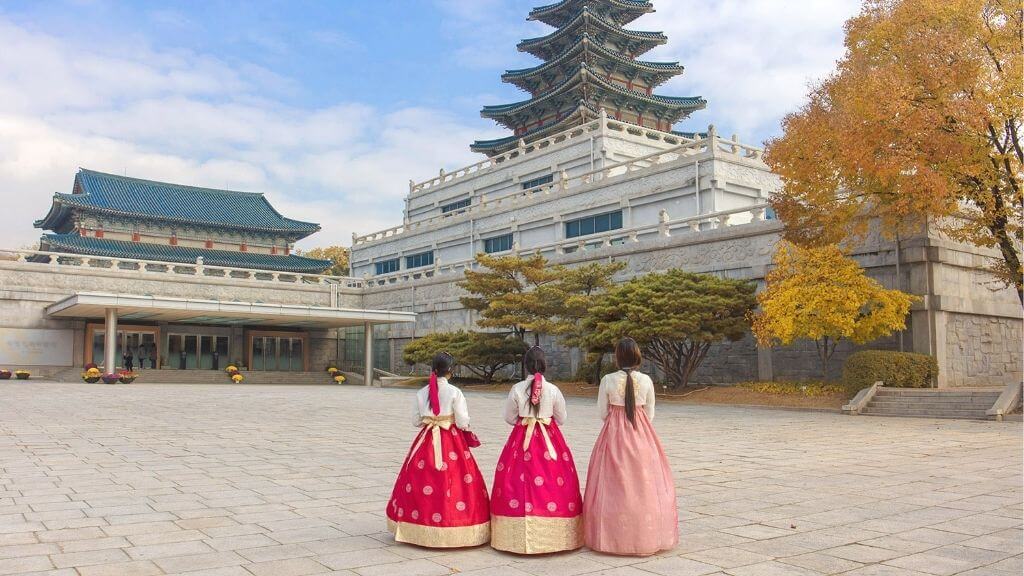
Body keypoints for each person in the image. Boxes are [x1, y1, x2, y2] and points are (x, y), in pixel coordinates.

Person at [583, 337, 677, 556]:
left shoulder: (607, 379)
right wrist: (639, 427)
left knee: (612, 482)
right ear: (637, 356)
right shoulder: (646, 380)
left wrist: (615, 423)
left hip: (613, 433)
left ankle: (612, 534)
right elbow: (650, 411)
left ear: (618, 357)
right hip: (641, 431)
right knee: (643, 482)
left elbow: (602, 411)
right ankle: (645, 531)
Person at [386, 352, 490, 547]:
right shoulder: (454, 392)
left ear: (432, 369)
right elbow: (462, 421)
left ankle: (417, 523)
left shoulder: (421, 392)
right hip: (450, 439)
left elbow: (416, 421)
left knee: (421, 478)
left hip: (427, 440)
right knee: (456, 479)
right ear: (450, 370)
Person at [491, 346, 583, 554]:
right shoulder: (553, 390)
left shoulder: (516, 389)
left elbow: (509, 418)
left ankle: (514, 534)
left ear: (526, 366)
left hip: (522, 438)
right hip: (549, 438)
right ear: (545, 365)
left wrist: (523, 419)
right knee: (554, 479)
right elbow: (562, 418)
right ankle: (556, 536)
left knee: (517, 479)